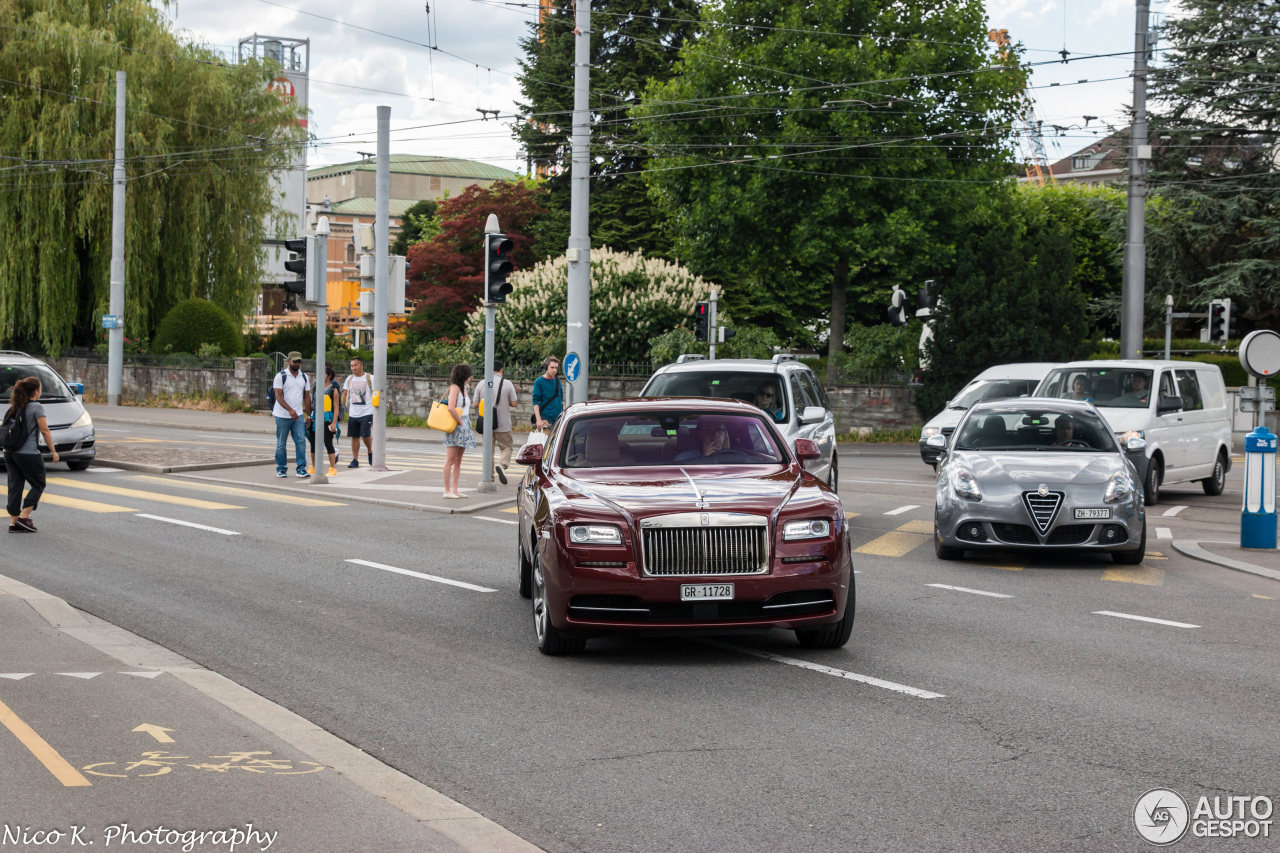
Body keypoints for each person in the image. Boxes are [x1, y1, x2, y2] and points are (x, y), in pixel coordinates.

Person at [4, 377, 57, 532]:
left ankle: (14, 523)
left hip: (10, 452)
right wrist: (53, 451)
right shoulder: (37, 407)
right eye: (40, 388)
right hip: (28, 453)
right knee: (39, 483)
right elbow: (45, 430)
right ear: (36, 391)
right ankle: (24, 517)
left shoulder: (15, 405)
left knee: (15, 486)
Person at [471, 361, 518, 484]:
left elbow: (475, 404)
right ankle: (502, 465)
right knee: (507, 446)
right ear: (501, 370)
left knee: (488, 452)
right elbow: (514, 403)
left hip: (486, 423)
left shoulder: (482, 383)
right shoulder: (507, 383)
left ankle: (489, 479)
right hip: (503, 423)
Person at [273, 352, 311, 478]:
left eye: (299, 361)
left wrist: (309, 416)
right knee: (281, 443)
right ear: (288, 361)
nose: (297, 364)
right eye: (295, 361)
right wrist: (289, 410)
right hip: (282, 415)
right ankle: (281, 468)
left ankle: (301, 468)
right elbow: (278, 396)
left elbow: (307, 397)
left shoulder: (304, 377)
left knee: (301, 441)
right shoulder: (281, 376)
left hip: (298, 415)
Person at [442, 363, 475, 499]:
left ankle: (455, 489)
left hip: (464, 423)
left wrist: (465, 423)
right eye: (469, 374)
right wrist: (461, 422)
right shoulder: (454, 388)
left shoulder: (464, 388)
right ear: (464, 375)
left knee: (458, 460)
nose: (470, 377)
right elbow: (451, 408)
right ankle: (447, 490)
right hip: (457, 424)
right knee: (450, 460)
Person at [307, 364, 341, 477]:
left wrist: (334, 422)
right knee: (313, 443)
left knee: (328, 442)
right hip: (315, 418)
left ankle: (332, 468)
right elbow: (313, 403)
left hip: (327, 419)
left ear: (329, 375)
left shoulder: (333, 389)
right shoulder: (316, 386)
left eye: (323, 373)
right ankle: (313, 466)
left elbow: (336, 408)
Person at [343, 357, 375, 468]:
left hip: (367, 411)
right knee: (354, 436)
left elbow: (376, 393)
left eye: (355, 365)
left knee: (365, 435)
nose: (353, 368)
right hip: (353, 412)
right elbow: (345, 393)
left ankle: (370, 451)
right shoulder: (349, 379)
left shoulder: (370, 378)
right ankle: (355, 459)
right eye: (351, 366)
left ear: (362, 365)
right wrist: (347, 406)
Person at [531, 356, 563, 432]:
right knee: (545, 443)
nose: (554, 370)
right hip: (546, 419)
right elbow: (535, 401)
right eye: (552, 367)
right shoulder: (539, 381)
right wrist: (538, 420)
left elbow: (561, 400)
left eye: (556, 368)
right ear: (546, 367)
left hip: (558, 418)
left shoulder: (557, 380)